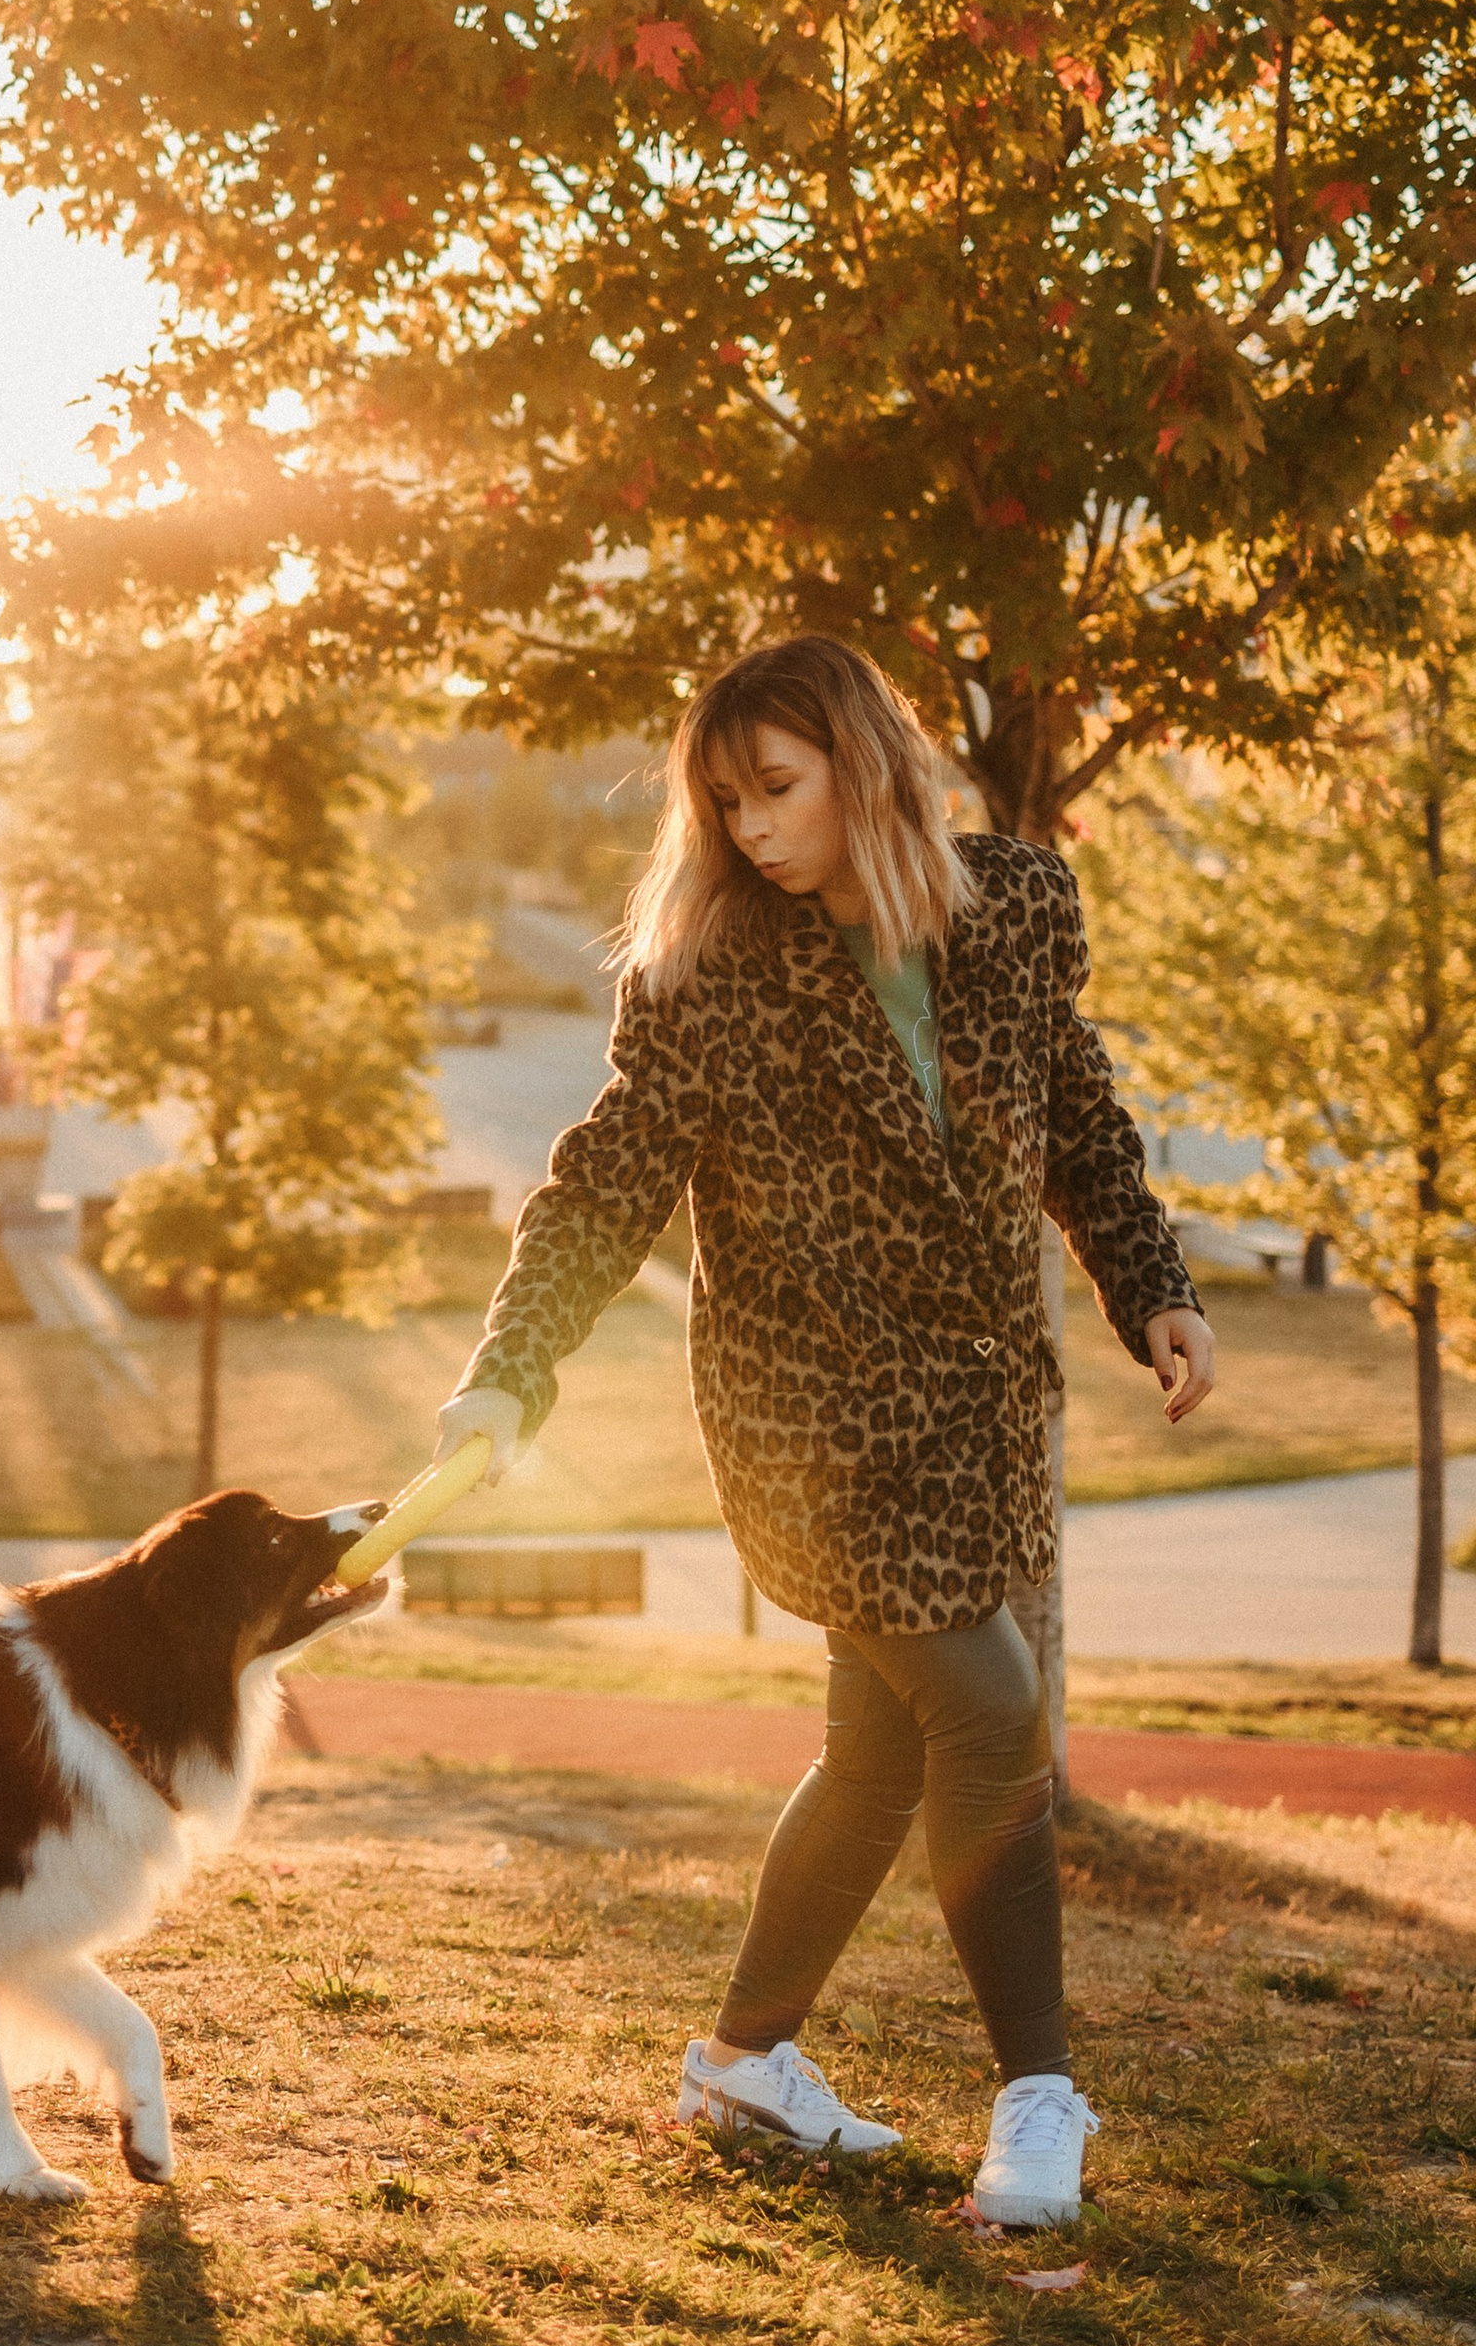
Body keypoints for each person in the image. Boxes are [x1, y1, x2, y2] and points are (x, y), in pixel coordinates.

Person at [434, 638, 1213, 2228]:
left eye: (774, 788)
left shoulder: (1015, 915)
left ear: (866, 762)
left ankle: (739, 2058)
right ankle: (1039, 2095)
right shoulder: (718, 969)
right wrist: (511, 1370)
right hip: (814, 1420)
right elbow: (605, 1183)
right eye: (723, 804)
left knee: (874, 1757)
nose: (751, 830)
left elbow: (1076, 1118)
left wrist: (1154, 1295)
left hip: (978, 1410)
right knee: (994, 1718)